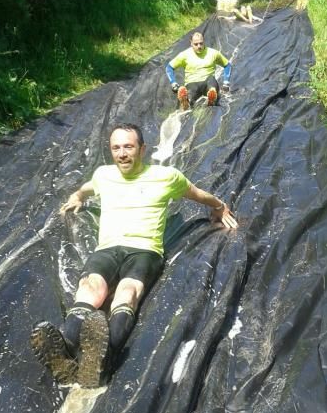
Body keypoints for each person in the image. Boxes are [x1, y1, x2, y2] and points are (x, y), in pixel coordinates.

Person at [31, 123, 238, 387]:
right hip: (107, 247)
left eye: (128, 147)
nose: (122, 154)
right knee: (90, 287)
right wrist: (77, 197)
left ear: (142, 149)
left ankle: (103, 360)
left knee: (127, 291)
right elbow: (85, 189)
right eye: (116, 148)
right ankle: (67, 348)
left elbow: (198, 194)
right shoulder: (103, 175)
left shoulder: (166, 177)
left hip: (145, 250)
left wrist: (219, 207)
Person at [165, 31, 232, 111]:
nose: (199, 46)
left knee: (212, 82)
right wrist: (173, 82)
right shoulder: (184, 55)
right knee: (190, 92)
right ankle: (186, 102)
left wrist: (226, 82)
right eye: (196, 44)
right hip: (192, 83)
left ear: (204, 41)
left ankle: (212, 99)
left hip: (208, 82)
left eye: (201, 43)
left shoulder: (213, 53)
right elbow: (169, 67)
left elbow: (227, 65)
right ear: (191, 43)